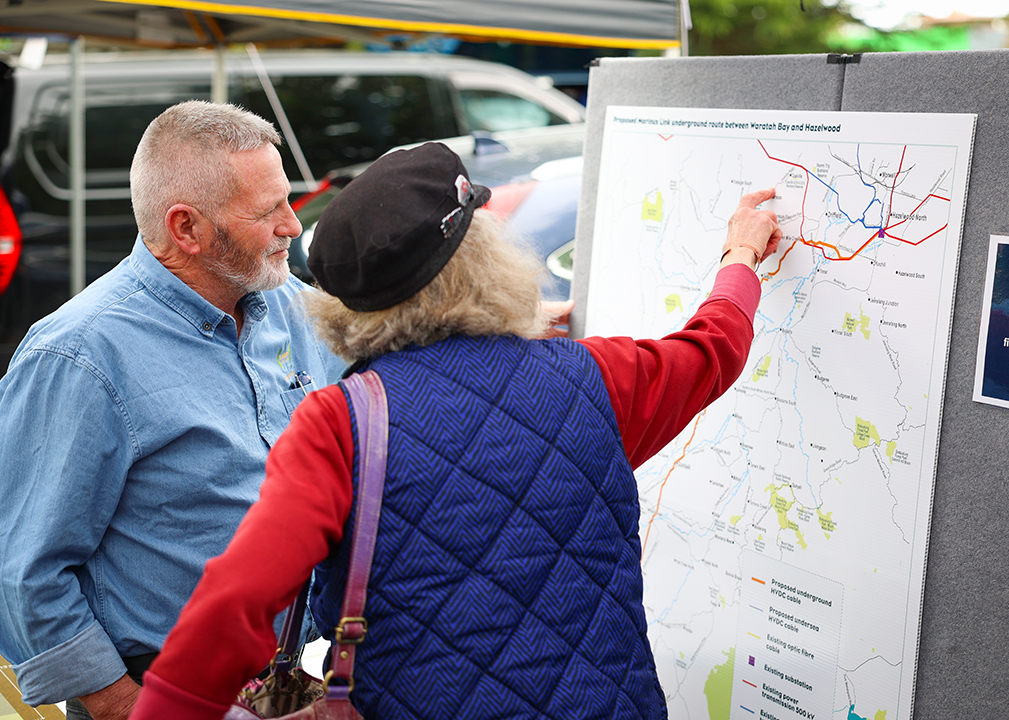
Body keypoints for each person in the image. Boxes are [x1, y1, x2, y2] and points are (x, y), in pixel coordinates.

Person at [129, 142, 782, 720]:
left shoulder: (339, 421)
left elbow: (235, 603)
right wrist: (741, 255)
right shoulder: (598, 377)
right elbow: (713, 347)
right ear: (487, 258)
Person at [0, 100, 343, 719]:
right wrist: (124, 705)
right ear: (185, 228)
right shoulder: (80, 355)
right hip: (165, 693)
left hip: (296, 679)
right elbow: (23, 568)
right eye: (269, 212)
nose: (294, 226)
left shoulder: (296, 307)